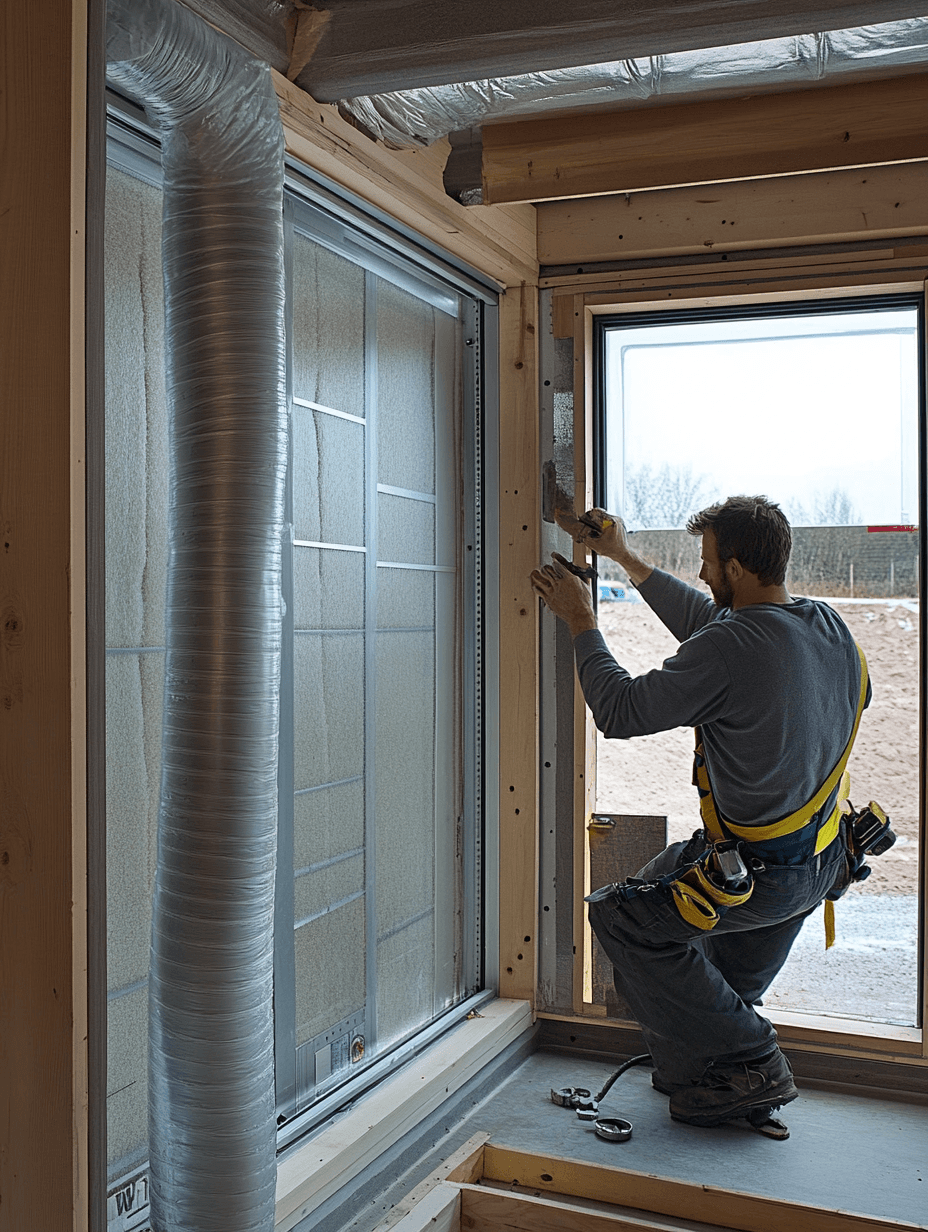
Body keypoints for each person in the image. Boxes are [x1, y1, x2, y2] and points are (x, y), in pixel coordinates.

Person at [530, 495, 869, 1129]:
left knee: (625, 919)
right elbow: (718, 629)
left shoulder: (733, 646)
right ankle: (723, 1075)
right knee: (722, 993)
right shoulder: (824, 626)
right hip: (824, 864)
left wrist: (581, 622)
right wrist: (625, 558)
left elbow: (622, 711)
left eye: (710, 562)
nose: (705, 573)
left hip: (760, 879)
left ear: (737, 567)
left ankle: (752, 1060)